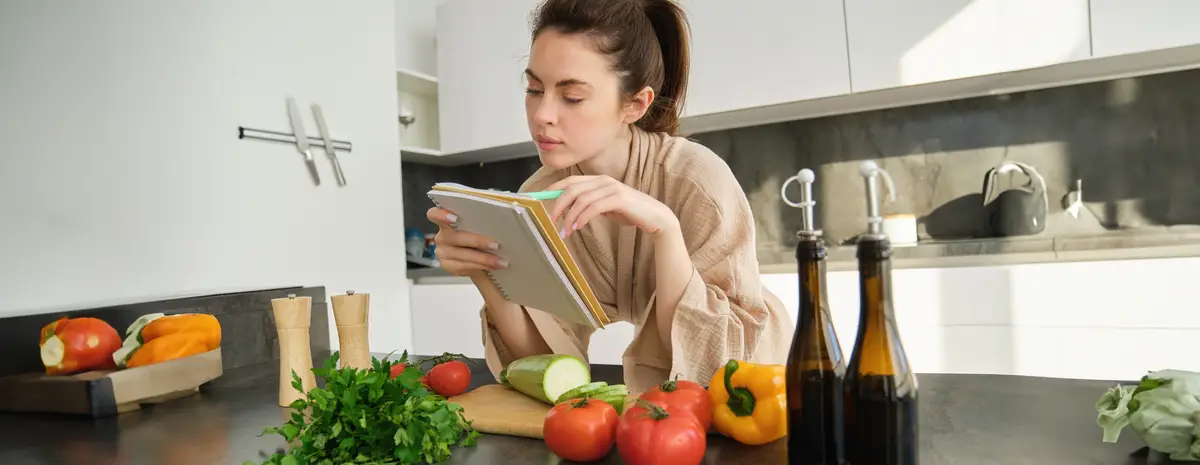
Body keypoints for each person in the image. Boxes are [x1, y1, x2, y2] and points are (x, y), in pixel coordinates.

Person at [426, 0, 793, 394]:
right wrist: (484, 270)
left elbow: (714, 362)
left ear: (635, 104)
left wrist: (665, 229)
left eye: (572, 97)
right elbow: (544, 364)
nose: (541, 114)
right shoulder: (540, 197)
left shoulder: (697, 181)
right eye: (534, 89)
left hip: (763, 382)